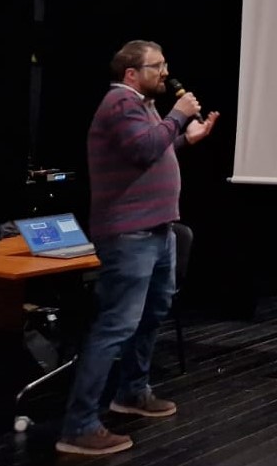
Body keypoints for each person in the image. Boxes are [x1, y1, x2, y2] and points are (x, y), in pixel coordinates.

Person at [55, 40, 219, 456]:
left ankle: (131, 392)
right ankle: (78, 426)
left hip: (158, 231)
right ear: (131, 73)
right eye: (157, 66)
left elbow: (152, 150)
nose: (165, 72)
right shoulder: (119, 104)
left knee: (152, 314)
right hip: (129, 235)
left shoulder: (140, 105)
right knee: (116, 325)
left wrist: (186, 139)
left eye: (165, 64)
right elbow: (144, 148)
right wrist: (178, 118)